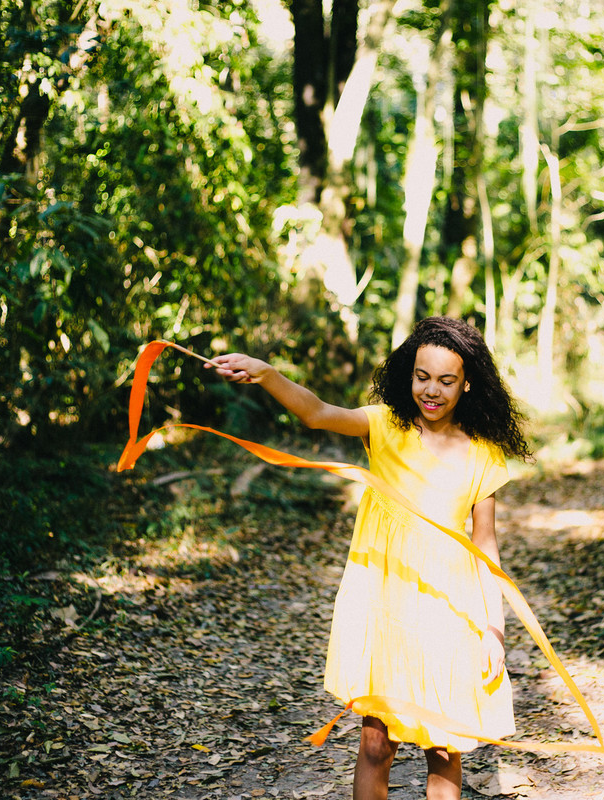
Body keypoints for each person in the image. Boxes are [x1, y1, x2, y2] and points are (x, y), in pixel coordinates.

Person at [209, 316, 533, 800]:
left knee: (444, 748)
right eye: (422, 376)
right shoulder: (384, 425)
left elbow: (485, 544)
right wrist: (267, 374)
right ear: (409, 375)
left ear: (467, 384)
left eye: (446, 381)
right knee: (376, 744)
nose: (432, 390)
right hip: (386, 607)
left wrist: (494, 628)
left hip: (448, 611)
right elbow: (316, 413)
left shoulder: (483, 453)